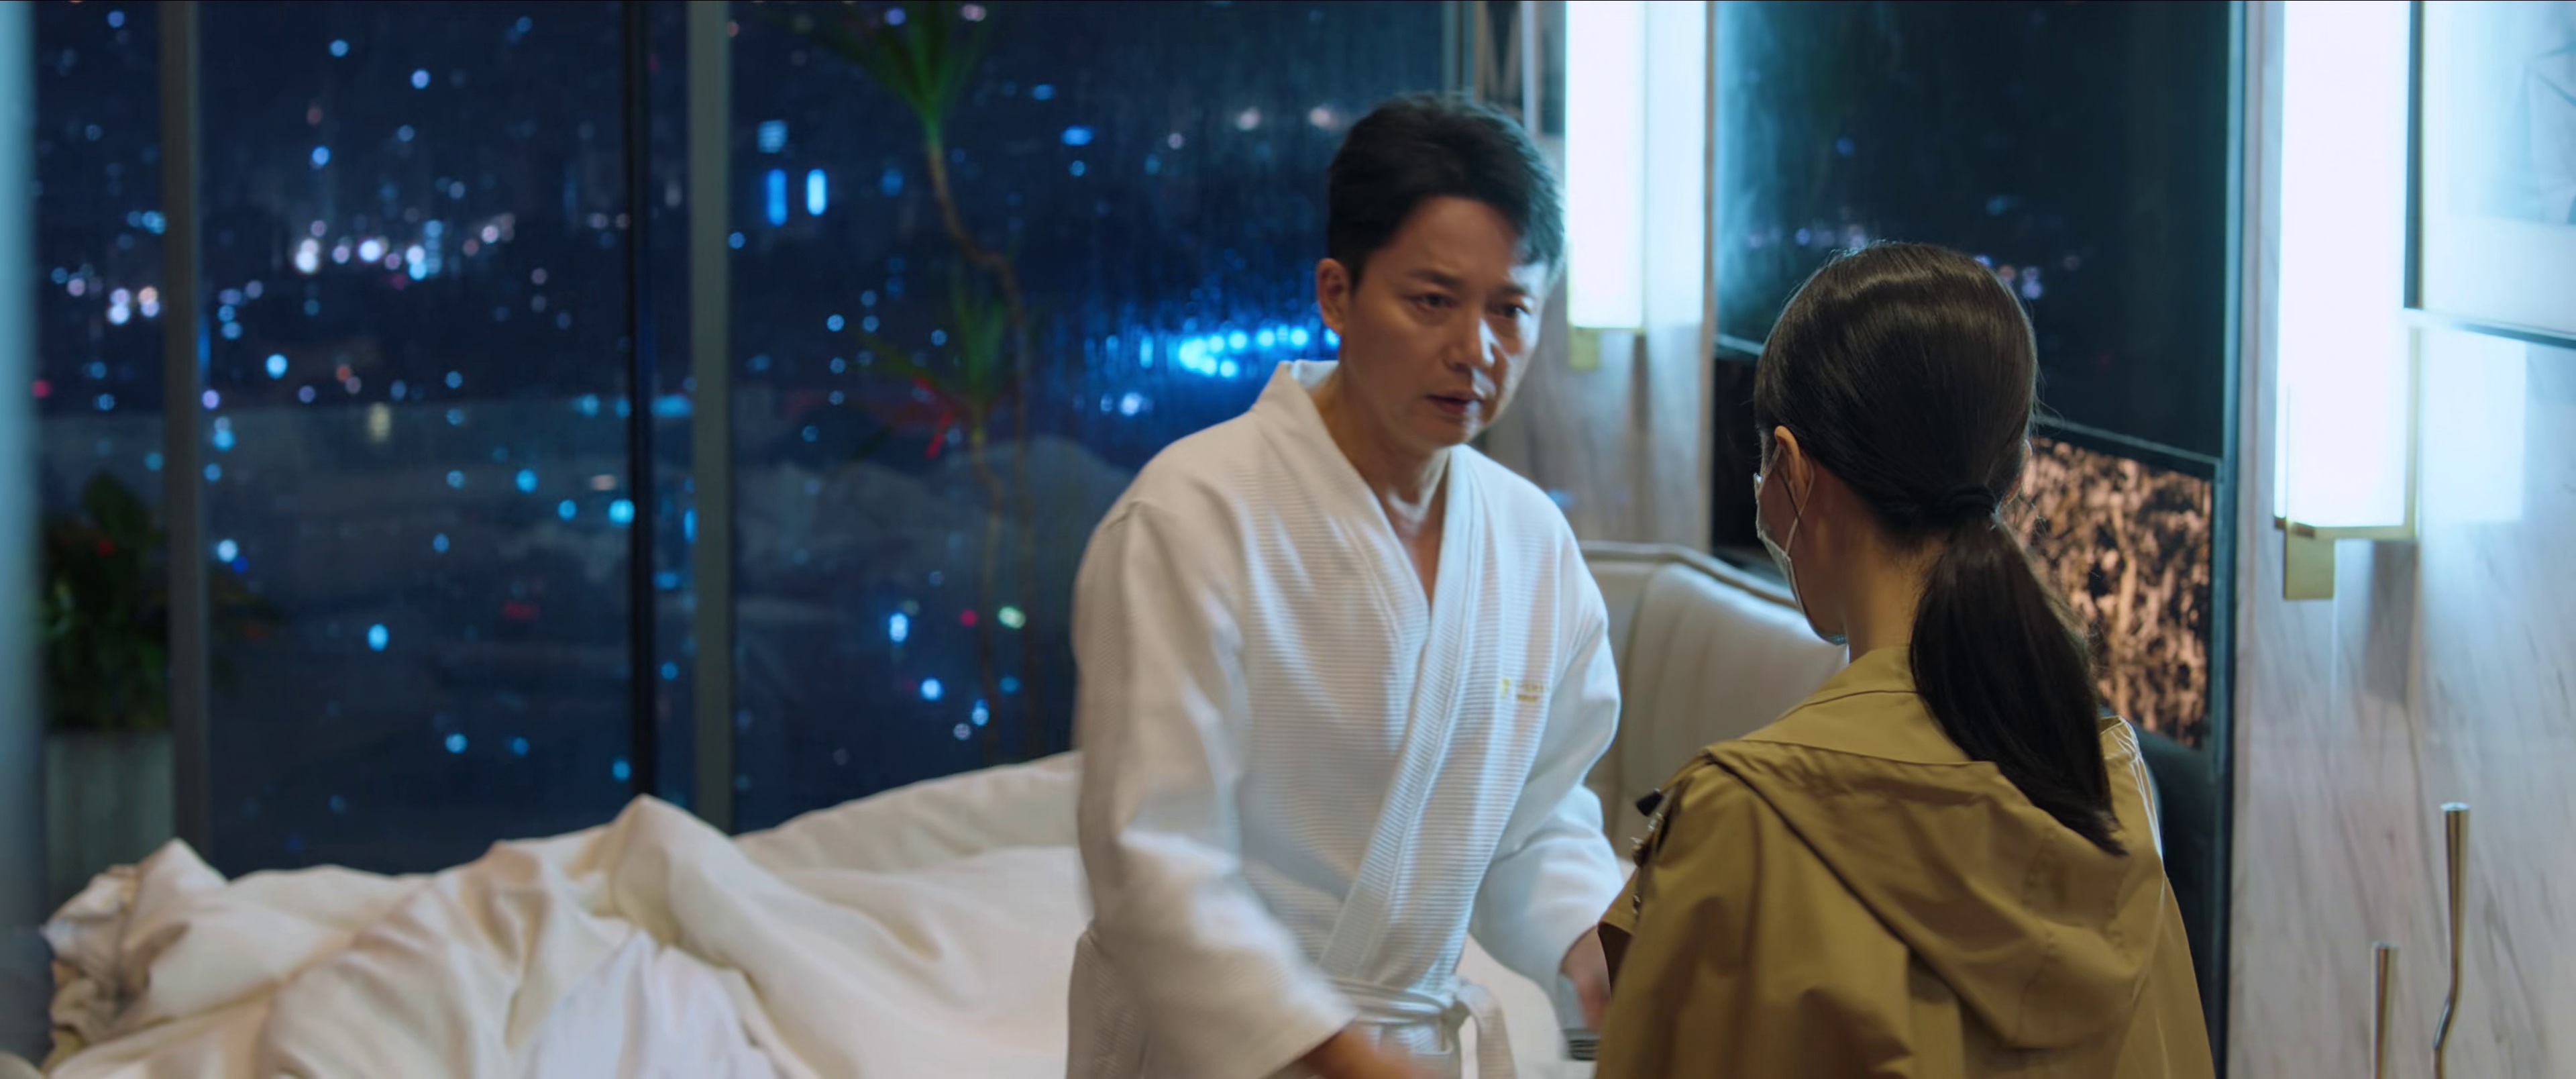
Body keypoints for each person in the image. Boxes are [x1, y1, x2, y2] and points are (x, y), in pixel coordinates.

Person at [1066, 93, 1622, 1079]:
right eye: (1433, 301)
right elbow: (1155, 864)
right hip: (1217, 1050)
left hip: (1404, 1045)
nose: (1476, 350)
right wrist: (1342, 1058)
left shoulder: (1532, 545)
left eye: (1510, 310)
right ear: (1336, 294)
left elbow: (1534, 822)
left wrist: (1595, 953)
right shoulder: (1191, 519)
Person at [1593, 243, 2214, 1078]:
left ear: (1791, 471)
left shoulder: (1746, 820)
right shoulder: (2106, 794)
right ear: (2015, 473)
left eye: (1764, 468)